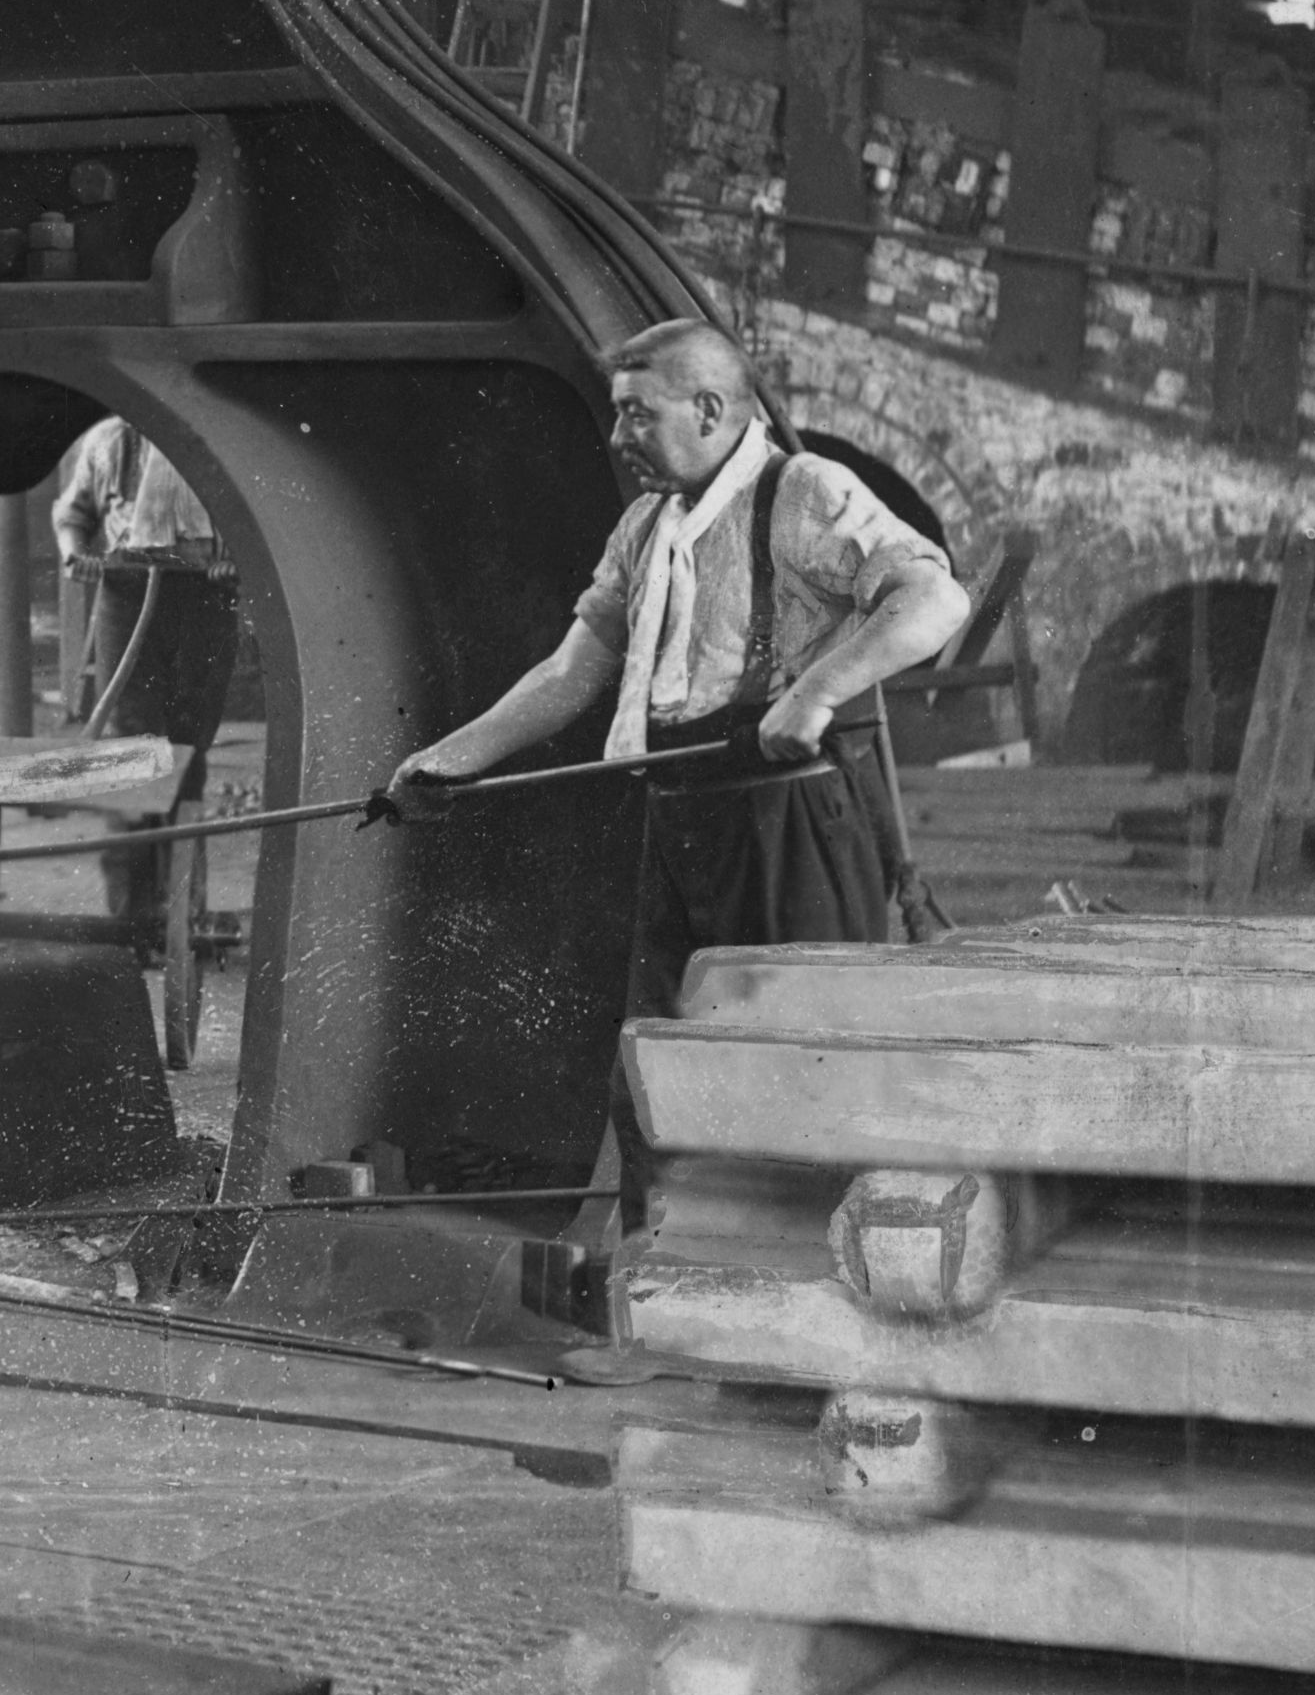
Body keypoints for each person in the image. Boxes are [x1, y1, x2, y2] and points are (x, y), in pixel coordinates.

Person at [389, 319, 968, 1229]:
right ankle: (661, 1297)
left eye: (637, 415)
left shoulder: (805, 490)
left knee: (800, 1066)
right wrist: (450, 758)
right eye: (618, 416)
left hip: (793, 822)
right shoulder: (644, 528)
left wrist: (814, 695)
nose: (619, 439)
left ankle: (797, 1309)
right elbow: (572, 670)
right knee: (658, 1065)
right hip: (683, 814)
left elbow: (935, 596)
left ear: (707, 409)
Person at [53, 419, 239, 932]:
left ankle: (183, 910)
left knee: (187, 749)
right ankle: (131, 915)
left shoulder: (222, 435)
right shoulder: (111, 440)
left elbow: (261, 527)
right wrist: (75, 554)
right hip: (127, 592)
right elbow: (74, 513)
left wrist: (237, 564)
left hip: (205, 596)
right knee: (132, 749)